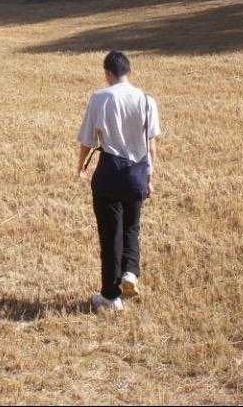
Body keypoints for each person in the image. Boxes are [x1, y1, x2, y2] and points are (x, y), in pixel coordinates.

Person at [76, 50, 161, 313]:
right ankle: (130, 272)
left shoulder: (100, 98)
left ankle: (110, 296)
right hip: (137, 174)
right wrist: (149, 177)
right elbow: (151, 145)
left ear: (107, 73)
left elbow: (87, 140)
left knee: (110, 234)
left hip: (110, 174)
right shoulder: (147, 101)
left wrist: (80, 167)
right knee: (132, 226)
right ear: (129, 71)